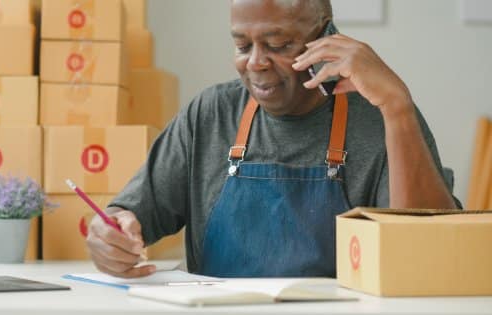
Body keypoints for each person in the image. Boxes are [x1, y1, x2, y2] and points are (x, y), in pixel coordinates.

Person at [85, 0, 461, 278]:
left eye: (278, 45)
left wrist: (397, 106)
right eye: (242, 46)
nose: (256, 63)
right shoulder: (210, 114)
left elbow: (431, 256)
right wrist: (111, 235)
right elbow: (130, 215)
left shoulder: (383, 116)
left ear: (326, 38)